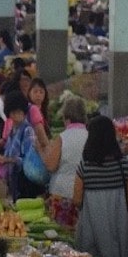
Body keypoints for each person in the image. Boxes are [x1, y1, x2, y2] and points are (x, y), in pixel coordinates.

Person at [74, 116, 128, 257]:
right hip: (116, 228)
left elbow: (77, 200)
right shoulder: (123, 164)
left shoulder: (84, 166)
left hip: (91, 229)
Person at [45, 95, 89, 227]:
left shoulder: (61, 138)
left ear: (66, 117)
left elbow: (51, 166)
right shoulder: (91, 137)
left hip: (62, 193)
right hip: (84, 194)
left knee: (62, 237)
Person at [1, 91, 45, 201]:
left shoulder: (27, 130)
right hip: (15, 182)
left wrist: (8, 160)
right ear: (9, 113)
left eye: (20, 111)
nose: (18, 114)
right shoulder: (12, 131)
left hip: (26, 183)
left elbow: (26, 159)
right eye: (14, 112)